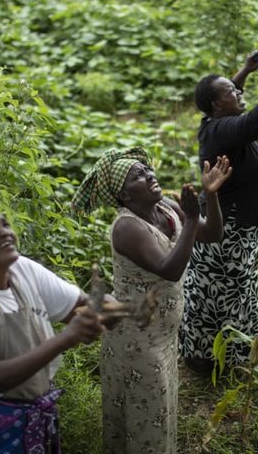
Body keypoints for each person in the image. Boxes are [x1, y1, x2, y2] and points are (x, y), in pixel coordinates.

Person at [72, 147, 231, 454]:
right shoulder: (127, 227)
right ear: (126, 196)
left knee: (159, 412)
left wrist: (209, 195)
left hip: (163, 333)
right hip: (136, 339)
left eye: (147, 170)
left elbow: (211, 234)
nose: (149, 176)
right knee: (145, 418)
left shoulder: (167, 207)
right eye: (138, 176)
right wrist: (192, 217)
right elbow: (169, 269)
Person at [0, 203, 106, 454]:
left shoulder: (22, 270)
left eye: (5, 224)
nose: (5, 232)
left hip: (28, 415)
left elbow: (81, 307)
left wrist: (121, 309)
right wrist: (65, 339)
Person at [179, 49, 258, 374]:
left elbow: (228, 95)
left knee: (230, 293)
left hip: (237, 228)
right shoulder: (224, 131)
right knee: (224, 295)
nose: (239, 93)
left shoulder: (216, 122)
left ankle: (217, 356)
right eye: (232, 92)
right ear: (216, 106)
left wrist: (245, 71)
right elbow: (256, 121)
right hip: (228, 234)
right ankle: (211, 360)